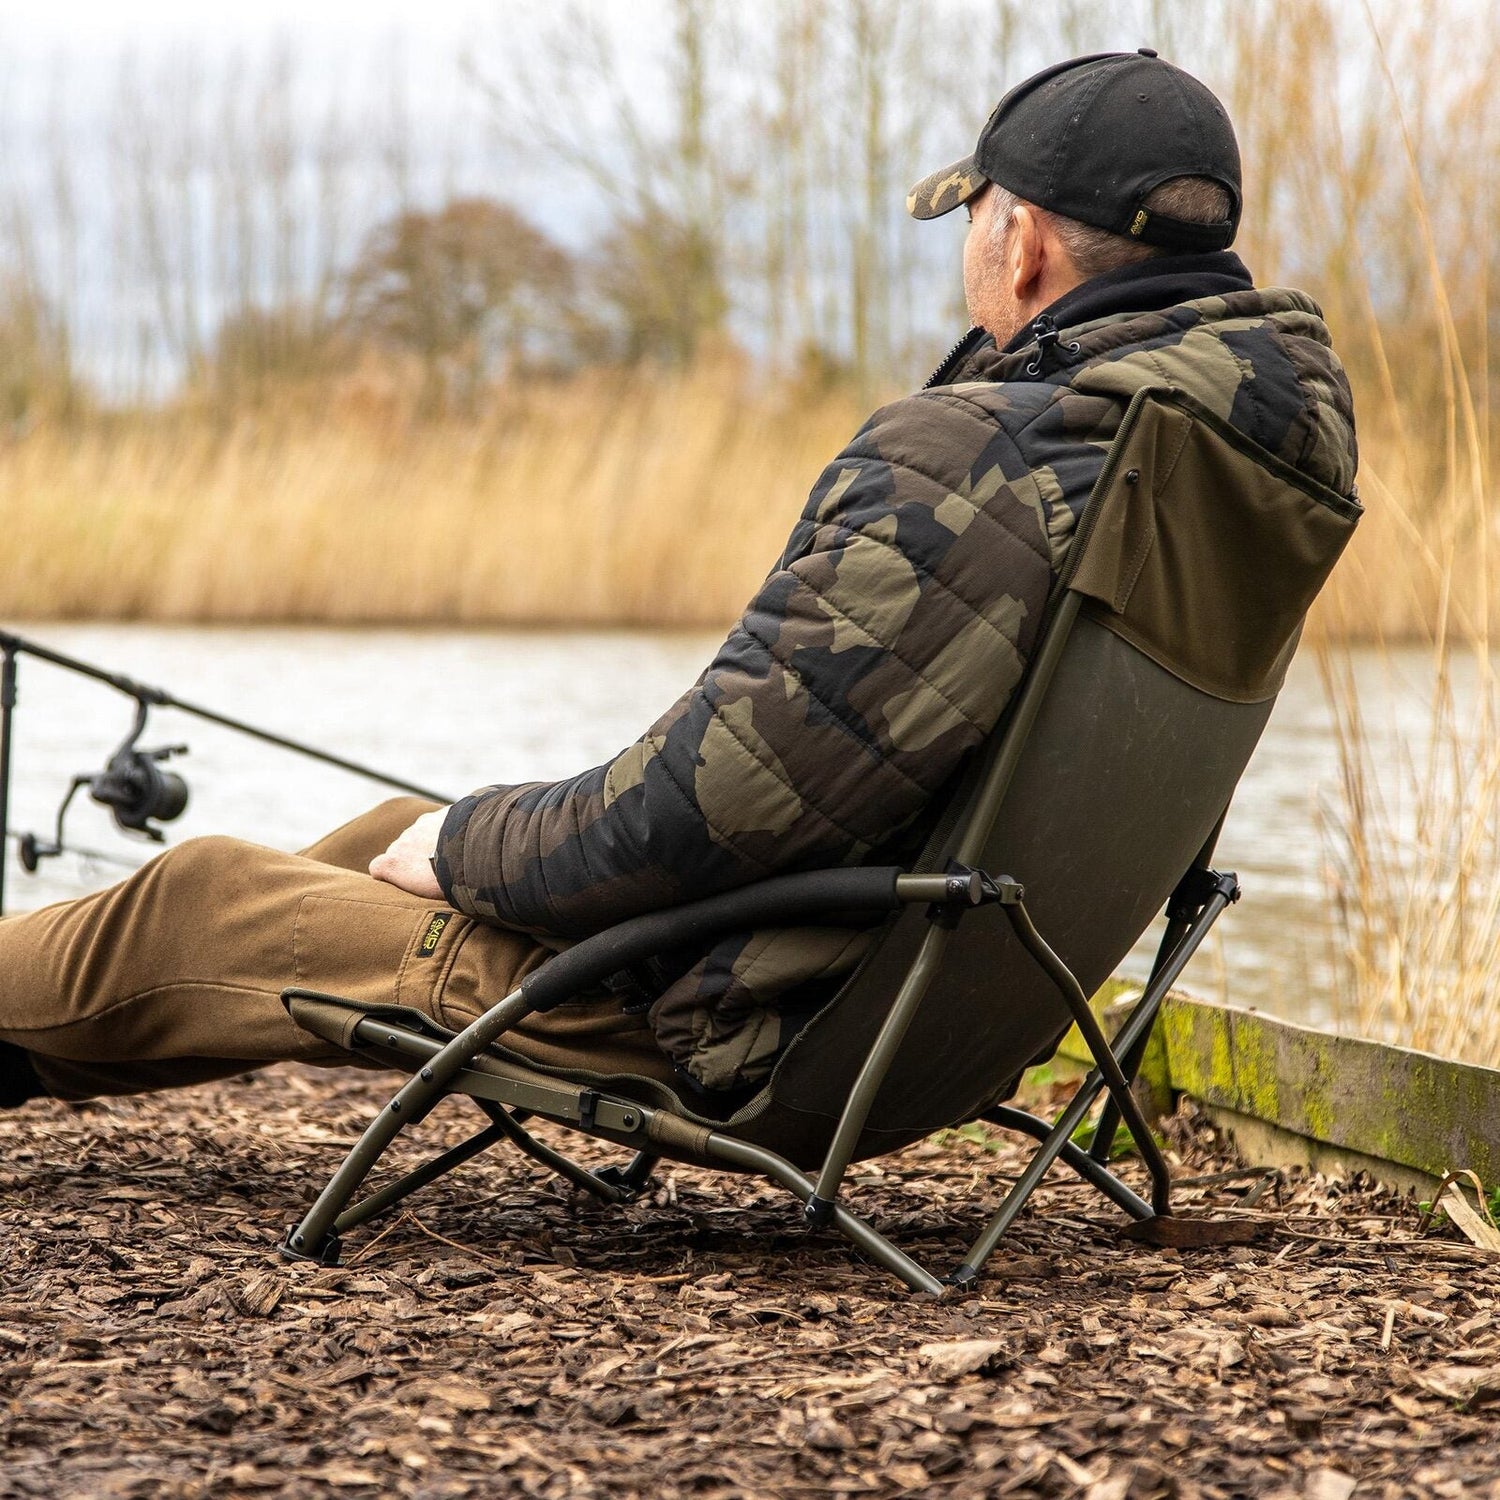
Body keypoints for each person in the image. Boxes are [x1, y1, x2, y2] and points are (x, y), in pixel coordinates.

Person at [0, 50, 1357, 1112]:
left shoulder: (984, 467)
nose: (969, 253)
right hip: (943, 1016)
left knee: (201, 895)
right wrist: (454, 830)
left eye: (977, 221)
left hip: (738, 1015)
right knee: (379, 837)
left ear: (1024, 248)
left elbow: (702, 813)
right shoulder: (1235, 458)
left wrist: (481, 842)